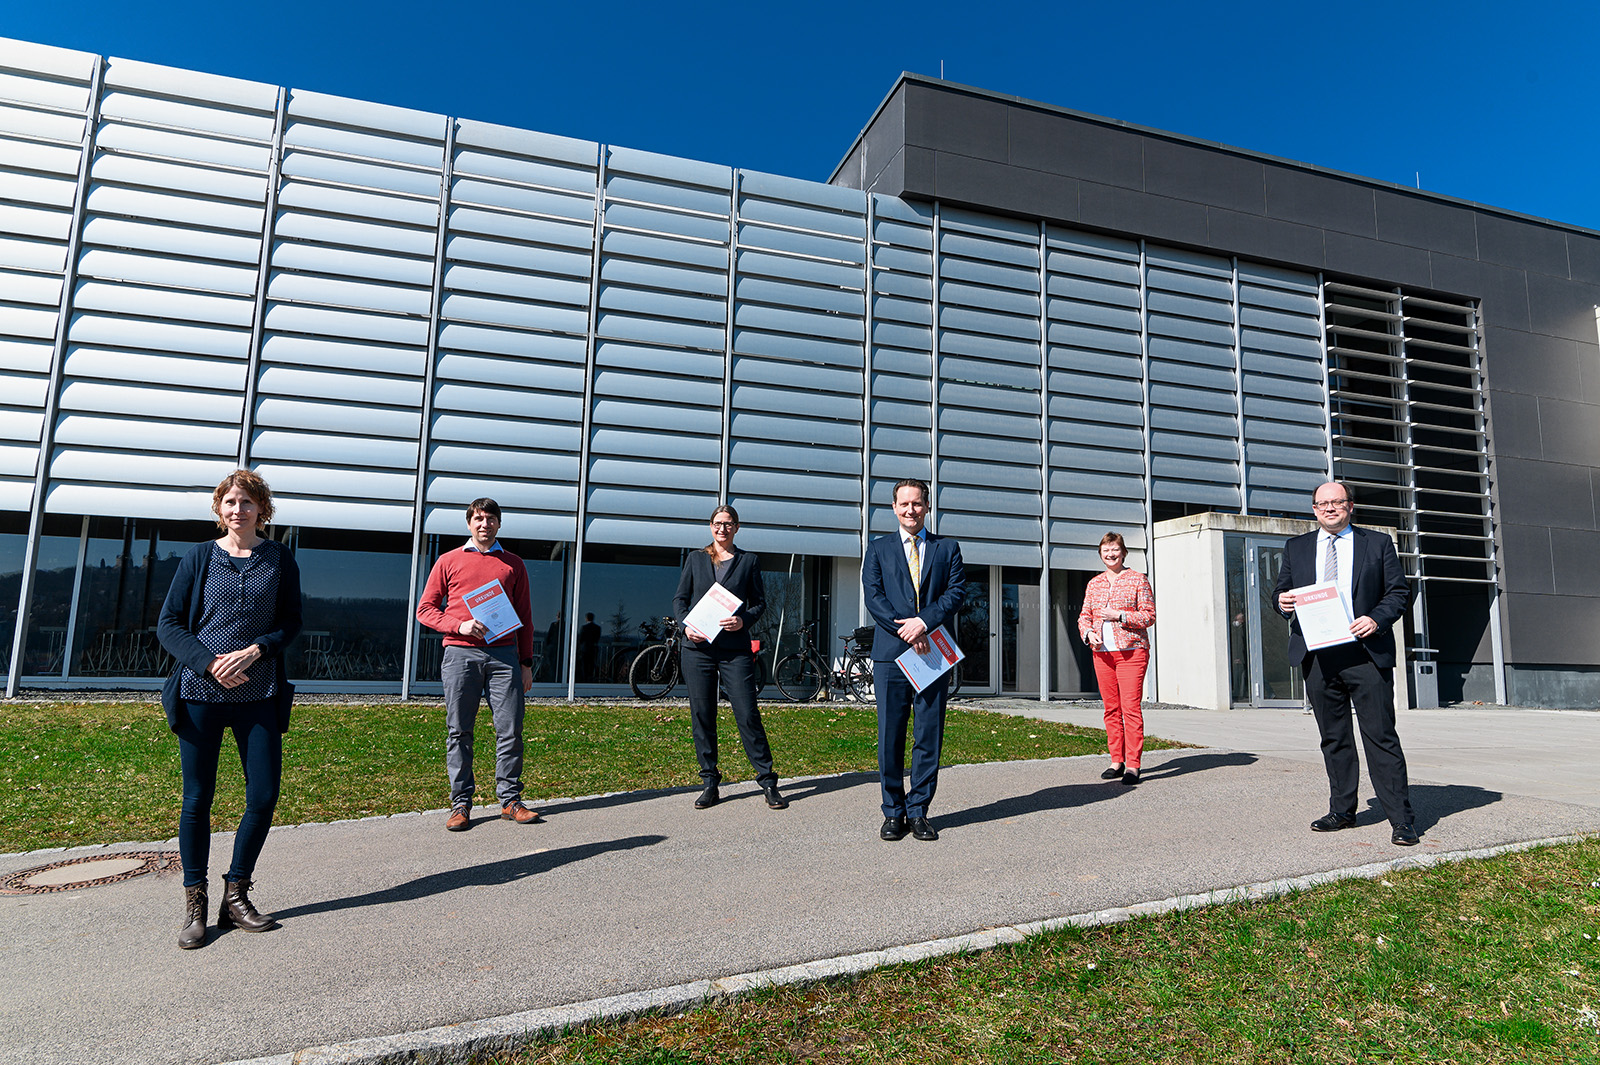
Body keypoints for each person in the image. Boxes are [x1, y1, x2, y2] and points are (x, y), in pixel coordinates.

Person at [157, 469, 302, 950]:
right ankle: (195, 902)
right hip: (201, 693)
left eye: (247, 501)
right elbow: (169, 625)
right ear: (219, 509)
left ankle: (236, 892)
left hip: (258, 694)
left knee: (263, 795)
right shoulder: (198, 557)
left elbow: (290, 623)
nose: (238, 509)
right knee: (197, 799)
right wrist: (209, 662)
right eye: (230, 502)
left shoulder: (280, 559)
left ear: (262, 508)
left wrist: (258, 650)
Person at [1272, 481, 1418, 846]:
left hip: (1365, 653)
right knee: (1334, 738)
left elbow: (1399, 592)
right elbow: (1279, 591)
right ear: (1314, 509)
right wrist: (1282, 601)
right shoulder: (1297, 547)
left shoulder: (1377, 543)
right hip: (1318, 655)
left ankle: (1400, 819)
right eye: (1322, 504)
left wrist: (1376, 619)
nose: (1329, 509)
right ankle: (1342, 810)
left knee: (1380, 737)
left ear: (1351, 506)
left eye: (1336, 502)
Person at [416, 498, 539, 832]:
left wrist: (525, 662)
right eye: (479, 518)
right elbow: (425, 609)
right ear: (469, 523)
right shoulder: (448, 560)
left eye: (491, 519)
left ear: (499, 524)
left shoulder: (513, 564)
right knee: (459, 730)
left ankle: (510, 800)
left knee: (511, 729)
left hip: (504, 657)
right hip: (460, 654)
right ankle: (460, 804)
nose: (485, 524)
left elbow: (525, 617)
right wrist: (459, 626)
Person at [862, 478, 965, 842]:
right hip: (891, 654)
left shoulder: (947, 547)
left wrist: (924, 623)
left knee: (928, 734)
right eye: (904, 504)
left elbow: (956, 593)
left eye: (917, 503)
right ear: (893, 507)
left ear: (926, 506)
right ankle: (893, 812)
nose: (910, 510)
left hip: (933, 653)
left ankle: (918, 809)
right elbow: (874, 596)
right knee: (890, 734)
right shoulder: (877, 549)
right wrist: (905, 629)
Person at [672, 504, 786, 810]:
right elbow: (680, 599)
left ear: (736, 528)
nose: (722, 528)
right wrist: (686, 627)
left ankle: (767, 781)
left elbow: (759, 603)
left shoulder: (748, 561)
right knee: (702, 715)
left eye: (728, 524)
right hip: (698, 650)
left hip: (734, 649)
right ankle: (710, 782)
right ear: (710, 526)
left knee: (747, 713)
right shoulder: (696, 558)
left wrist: (743, 621)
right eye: (717, 523)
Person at [1077, 531, 1155, 785]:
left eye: (1115, 550)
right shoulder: (1094, 583)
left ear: (1123, 552)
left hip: (1132, 652)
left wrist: (1120, 615)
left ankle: (1133, 765)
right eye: (1105, 551)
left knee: (1130, 708)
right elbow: (1084, 616)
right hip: (1102, 654)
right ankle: (1116, 760)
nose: (1110, 554)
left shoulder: (1137, 580)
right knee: (1111, 709)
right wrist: (1088, 633)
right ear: (1100, 554)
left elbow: (1148, 616)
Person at [576, 613, 601, 682]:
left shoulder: (584, 628)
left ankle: (585, 680)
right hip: (593, 649)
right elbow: (597, 638)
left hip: (585, 649)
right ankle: (591, 679)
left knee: (585, 666)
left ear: (586, 618)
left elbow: (581, 639)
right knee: (592, 665)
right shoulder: (597, 628)